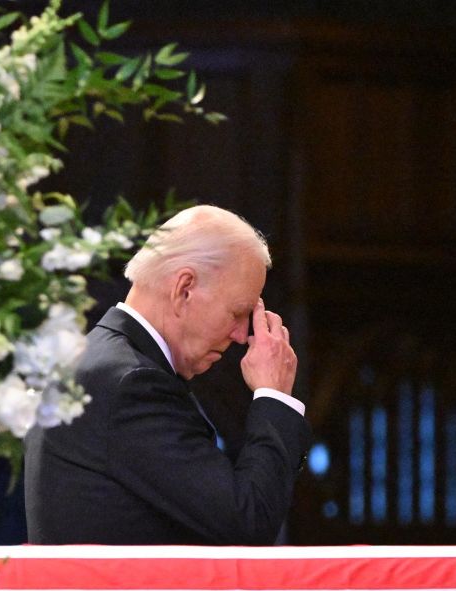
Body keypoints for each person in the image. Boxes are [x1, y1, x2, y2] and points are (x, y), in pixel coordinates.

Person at [24, 205, 311, 545]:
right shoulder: (130, 385)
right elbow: (247, 521)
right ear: (184, 289)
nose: (240, 335)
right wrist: (273, 397)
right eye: (237, 313)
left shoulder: (95, 360)